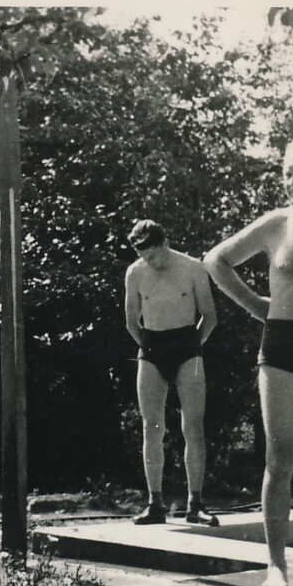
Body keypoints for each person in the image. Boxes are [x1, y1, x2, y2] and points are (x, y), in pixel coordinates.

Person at [204, 138, 293, 586]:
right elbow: (216, 260)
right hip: (281, 346)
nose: (292, 182)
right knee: (281, 459)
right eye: (287, 173)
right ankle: (275, 566)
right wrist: (257, 305)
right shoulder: (276, 223)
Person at [124, 220, 218, 526]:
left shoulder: (193, 268)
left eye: (154, 255)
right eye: (144, 257)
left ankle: (196, 503)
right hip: (152, 346)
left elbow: (210, 316)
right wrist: (151, 349)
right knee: (152, 427)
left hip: (187, 345)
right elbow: (131, 321)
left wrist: (191, 348)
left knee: (193, 426)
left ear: (165, 244)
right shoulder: (136, 272)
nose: (150, 262)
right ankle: (155, 503)